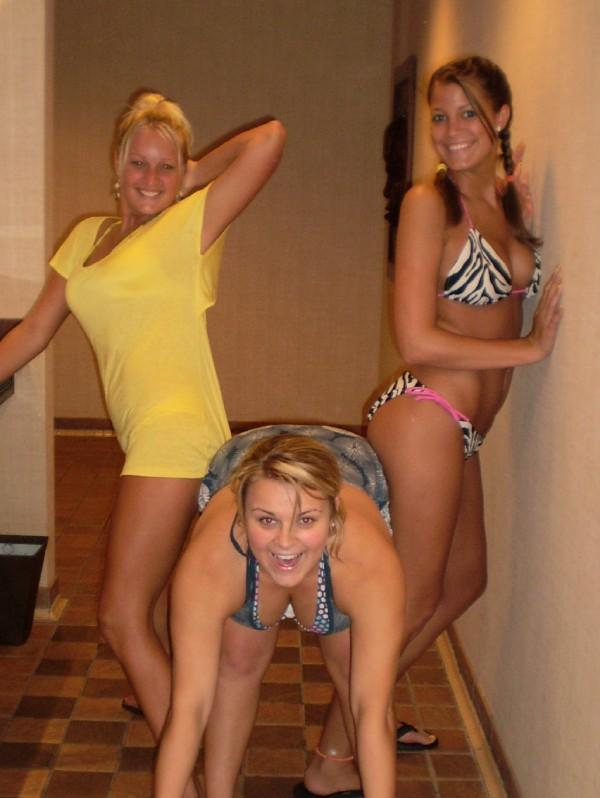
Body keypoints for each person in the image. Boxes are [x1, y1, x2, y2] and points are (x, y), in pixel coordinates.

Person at [0, 91, 285, 798]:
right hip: (147, 438)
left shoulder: (191, 225)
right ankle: (207, 761)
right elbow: (32, 332)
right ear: (117, 165)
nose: (152, 178)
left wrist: (194, 173)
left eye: (166, 165)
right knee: (156, 613)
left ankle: (189, 782)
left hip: (177, 436)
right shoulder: (87, 237)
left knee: (119, 617)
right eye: (140, 162)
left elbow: (270, 138)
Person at [365, 56, 562, 748]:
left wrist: (516, 216)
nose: (450, 131)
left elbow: (499, 293)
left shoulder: (502, 204)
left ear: (500, 117)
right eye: (440, 117)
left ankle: (360, 716)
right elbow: (417, 338)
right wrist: (528, 349)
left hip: (461, 431)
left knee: (465, 582)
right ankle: (337, 753)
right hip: (426, 411)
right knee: (416, 595)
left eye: (468, 113)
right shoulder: (429, 204)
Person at [154, 426, 405, 798]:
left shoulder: (368, 567)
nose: (285, 542)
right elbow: (189, 710)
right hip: (244, 456)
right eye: (267, 520)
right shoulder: (209, 567)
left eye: (306, 520)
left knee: (352, 672)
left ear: (333, 518)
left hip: (349, 459)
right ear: (242, 517)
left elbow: (372, 711)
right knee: (237, 663)